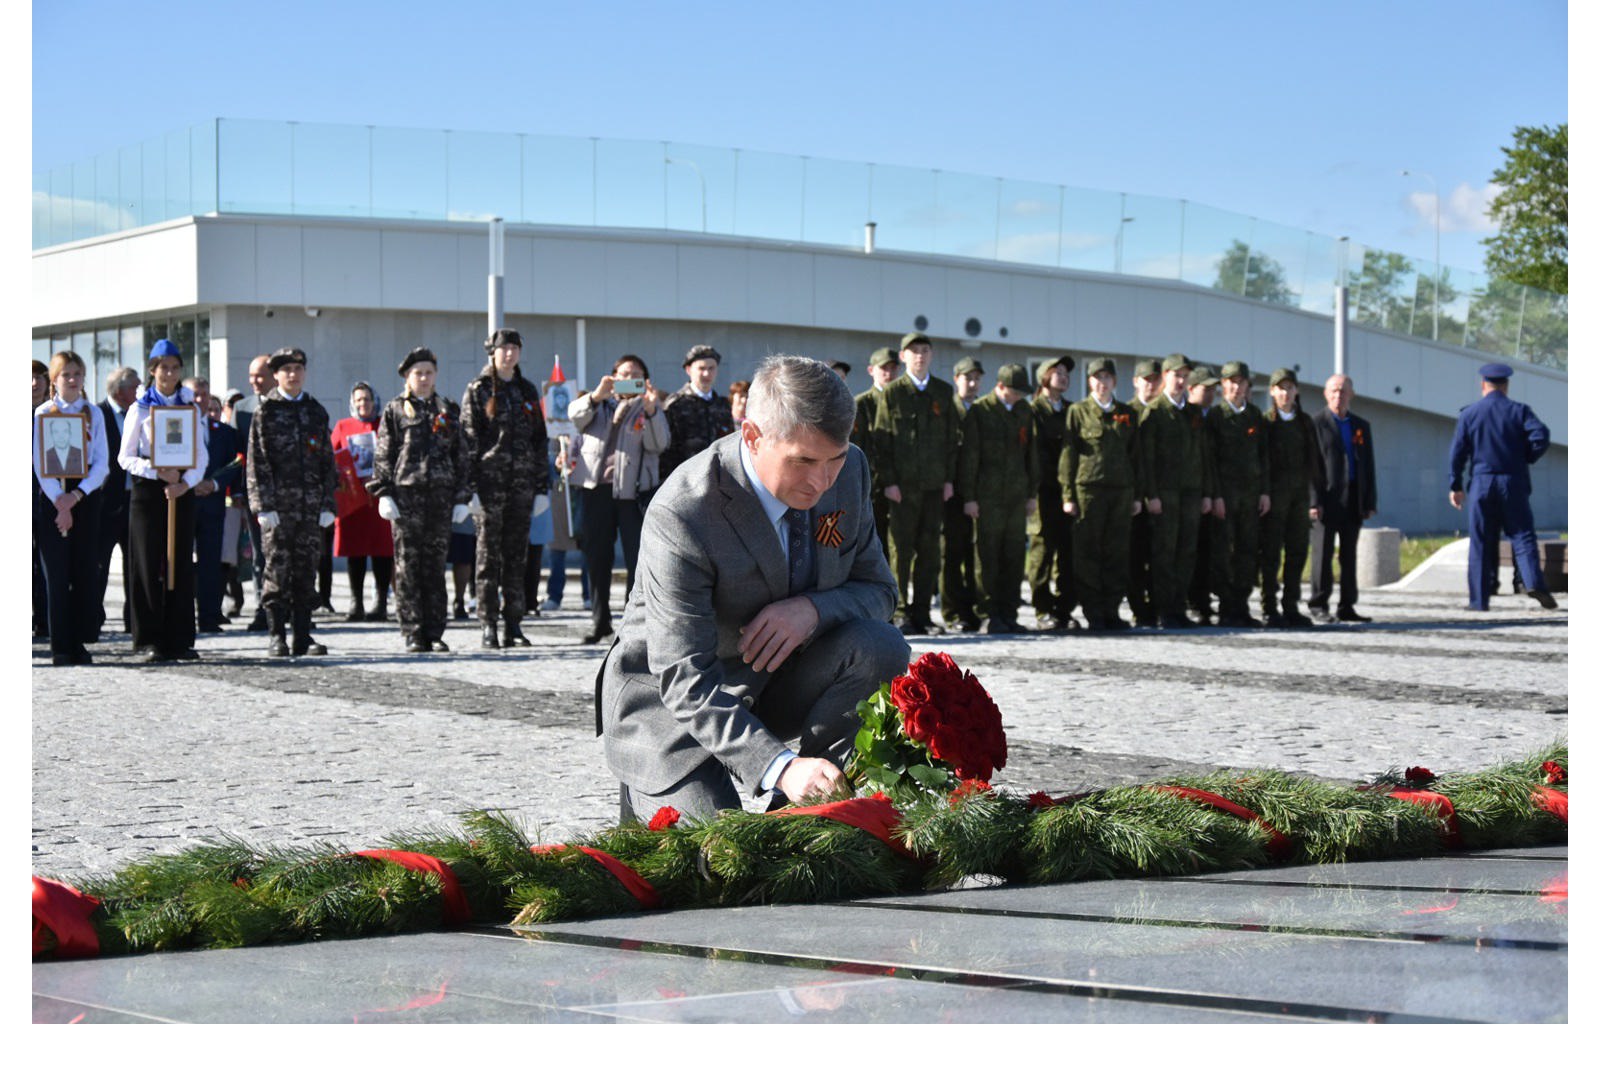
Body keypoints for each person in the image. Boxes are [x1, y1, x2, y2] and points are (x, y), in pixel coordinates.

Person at [596, 354, 908, 820]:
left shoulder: (851, 471)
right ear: (752, 436)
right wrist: (780, 766)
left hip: (771, 682)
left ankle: (806, 813)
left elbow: (880, 591)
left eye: (834, 460)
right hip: (671, 707)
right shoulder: (686, 510)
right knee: (720, 860)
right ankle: (652, 791)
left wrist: (812, 611)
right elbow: (682, 675)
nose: (822, 482)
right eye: (803, 461)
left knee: (880, 645)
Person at [368, 348, 472, 652]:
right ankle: (413, 630)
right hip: (407, 499)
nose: (424, 378)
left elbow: (461, 456)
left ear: (435, 375)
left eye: (428, 372)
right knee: (407, 566)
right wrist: (384, 493)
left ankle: (435, 630)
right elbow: (384, 454)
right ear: (407, 377)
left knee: (435, 567)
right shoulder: (395, 410)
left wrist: (462, 497)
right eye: (418, 373)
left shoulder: (448, 410)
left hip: (440, 499)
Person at [568, 354, 670, 643]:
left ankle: (632, 624)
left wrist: (651, 411)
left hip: (633, 493)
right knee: (597, 556)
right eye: (624, 373)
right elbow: (573, 417)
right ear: (613, 376)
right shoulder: (597, 403)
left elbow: (659, 443)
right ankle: (600, 621)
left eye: (636, 374)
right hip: (596, 490)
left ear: (644, 380)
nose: (629, 378)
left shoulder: (650, 406)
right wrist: (596, 396)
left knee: (637, 560)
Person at [461, 328, 551, 649]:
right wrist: (468, 488)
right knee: (487, 558)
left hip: (523, 487)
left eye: (515, 348)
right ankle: (488, 623)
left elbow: (540, 441)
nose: (509, 354)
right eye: (504, 349)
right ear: (493, 352)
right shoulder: (479, 389)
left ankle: (514, 622)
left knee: (517, 557)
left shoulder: (527, 391)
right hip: (489, 487)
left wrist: (542, 485)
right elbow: (468, 441)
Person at [118, 339, 208, 662]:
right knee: (146, 563)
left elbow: (201, 454)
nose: (169, 373)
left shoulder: (190, 408)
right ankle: (148, 639)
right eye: (163, 367)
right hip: (148, 491)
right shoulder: (140, 408)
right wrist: (159, 474)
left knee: (180, 562)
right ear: (153, 371)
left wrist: (185, 484)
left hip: (180, 491)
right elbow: (125, 458)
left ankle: (180, 638)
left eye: (174, 367)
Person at [246, 347, 338, 657]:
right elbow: (256, 462)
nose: (293, 374)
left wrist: (328, 504)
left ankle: (302, 635)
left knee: (305, 571)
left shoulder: (315, 411)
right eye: (286, 370)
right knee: (276, 571)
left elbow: (327, 461)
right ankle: (276, 635)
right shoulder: (266, 412)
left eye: (298, 368)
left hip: (310, 508)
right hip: (278, 509)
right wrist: (262, 506)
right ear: (276, 375)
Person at [1448, 362, 1558, 611]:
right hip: (1513, 480)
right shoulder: (1519, 411)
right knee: (1522, 535)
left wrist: (1455, 484)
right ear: (1506, 386)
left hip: (1482, 482)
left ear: (1483, 384)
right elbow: (1541, 435)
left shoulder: (1470, 414)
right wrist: (1526, 456)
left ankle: (1479, 601)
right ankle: (1533, 583)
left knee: (1481, 541)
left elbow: (1457, 453)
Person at [872, 331, 959, 635]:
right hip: (902, 489)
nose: (920, 355)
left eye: (925, 350)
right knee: (900, 551)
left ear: (931, 355)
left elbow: (951, 440)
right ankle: (898, 612)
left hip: (935, 486)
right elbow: (882, 441)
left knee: (929, 551)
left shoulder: (943, 392)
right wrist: (889, 482)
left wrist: (948, 479)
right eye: (914, 351)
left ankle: (922, 613)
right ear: (903, 356)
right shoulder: (893, 393)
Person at [33, 351, 110, 665]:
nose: (73, 380)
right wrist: (59, 502)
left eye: (78, 374)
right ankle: (60, 645)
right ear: (55, 379)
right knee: (56, 573)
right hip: (51, 496)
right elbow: (38, 462)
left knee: (83, 571)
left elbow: (103, 462)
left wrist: (76, 496)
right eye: (67, 375)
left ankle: (79, 641)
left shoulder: (93, 413)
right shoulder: (43, 413)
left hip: (84, 495)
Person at [956, 363, 1039, 634]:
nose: (1019, 397)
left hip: (1016, 496)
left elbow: (1031, 455)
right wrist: (969, 497)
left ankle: (1009, 612)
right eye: (1015, 391)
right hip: (987, 497)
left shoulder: (1025, 412)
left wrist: (1031, 494)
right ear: (1001, 387)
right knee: (987, 557)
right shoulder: (981, 411)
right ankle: (989, 613)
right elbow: (970, 457)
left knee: (1014, 556)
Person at [1063, 357, 1141, 631]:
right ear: (1089, 381)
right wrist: (1068, 495)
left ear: (1115, 382)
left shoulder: (1127, 413)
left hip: (1121, 492)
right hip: (1089, 492)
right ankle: (1094, 612)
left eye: (1107, 377)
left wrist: (1137, 495)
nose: (1102, 382)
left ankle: (1111, 610)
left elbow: (1136, 456)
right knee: (1088, 553)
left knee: (1117, 553)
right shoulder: (1078, 411)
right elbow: (1068, 454)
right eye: (1097, 377)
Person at [1138, 354, 1213, 629]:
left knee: (1186, 553)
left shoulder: (1193, 413)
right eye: (1176, 375)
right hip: (1165, 495)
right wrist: (1152, 495)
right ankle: (1164, 609)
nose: (1181, 381)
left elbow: (1204, 456)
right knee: (1164, 554)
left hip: (1191, 494)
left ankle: (1179, 607)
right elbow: (1146, 459)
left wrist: (1207, 493)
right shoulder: (1155, 412)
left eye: (1185, 376)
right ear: (1165, 376)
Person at [1202, 362, 1271, 627]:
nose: (1235, 387)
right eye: (1230, 382)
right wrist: (1215, 495)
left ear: (1247, 386)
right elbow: (1210, 460)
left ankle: (1241, 605)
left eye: (1240, 382)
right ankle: (1226, 606)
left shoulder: (1255, 416)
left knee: (1247, 551)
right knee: (1223, 552)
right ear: (1222, 385)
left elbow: (1263, 457)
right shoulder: (1216, 417)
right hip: (1226, 496)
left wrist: (1265, 491)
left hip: (1251, 495)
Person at [1307, 374, 1376, 623]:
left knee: (1349, 556)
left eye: (1343, 391)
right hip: (1327, 500)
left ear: (1352, 395)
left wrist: (1369, 501)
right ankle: (1318, 604)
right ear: (1326, 394)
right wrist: (1314, 501)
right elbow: (1311, 466)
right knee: (1322, 555)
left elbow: (1368, 465)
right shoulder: (1315, 423)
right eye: (1334, 391)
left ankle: (1347, 605)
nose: (1339, 396)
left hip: (1353, 500)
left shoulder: (1361, 425)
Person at [183, 376, 244, 634]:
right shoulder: (174, 427)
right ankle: (182, 616)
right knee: (182, 562)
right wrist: (190, 482)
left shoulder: (225, 432)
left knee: (211, 563)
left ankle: (209, 615)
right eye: (195, 394)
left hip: (213, 504)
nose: (200, 399)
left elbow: (237, 462)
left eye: (204, 394)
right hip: (184, 502)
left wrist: (214, 484)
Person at [331, 381, 395, 622]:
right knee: (354, 551)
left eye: (366, 399)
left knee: (382, 551)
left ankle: (380, 602)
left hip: (379, 500)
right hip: (353, 500)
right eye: (358, 400)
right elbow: (332, 456)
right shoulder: (343, 426)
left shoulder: (385, 424)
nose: (363, 404)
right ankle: (355, 602)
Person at [1259, 368, 1316, 627]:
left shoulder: (1305, 423)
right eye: (1280, 388)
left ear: (1297, 391)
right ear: (1272, 391)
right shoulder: (1266, 422)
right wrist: (1264, 493)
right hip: (1274, 498)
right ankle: (1269, 606)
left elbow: (1314, 463)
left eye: (1289, 388)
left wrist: (1315, 499)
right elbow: (1261, 461)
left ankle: (1290, 605)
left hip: (1299, 498)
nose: (1285, 393)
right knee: (1271, 554)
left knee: (1297, 552)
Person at [1026, 355, 1076, 630]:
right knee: (1042, 551)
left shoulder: (1072, 410)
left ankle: (1064, 609)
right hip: (1043, 490)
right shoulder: (1034, 410)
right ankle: (1042, 609)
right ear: (1044, 376)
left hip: (1067, 492)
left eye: (1066, 372)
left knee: (1068, 551)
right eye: (1057, 371)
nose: (1063, 376)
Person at [92, 367, 139, 640]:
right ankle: (92, 621)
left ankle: (134, 622)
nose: (139, 392)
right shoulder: (97, 413)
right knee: (98, 565)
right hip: (104, 504)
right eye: (135, 387)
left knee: (135, 566)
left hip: (136, 502)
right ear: (120, 391)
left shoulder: (140, 413)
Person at [230, 353, 275, 632]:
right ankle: (263, 607)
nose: (253, 381)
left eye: (259, 375)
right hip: (254, 493)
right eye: (250, 376)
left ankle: (294, 606)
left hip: (288, 494)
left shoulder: (288, 405)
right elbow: (237, 455)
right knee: (259, 554)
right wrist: (236, 491)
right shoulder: (243, 408)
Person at [939, 355, 984, 633]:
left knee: (972, 554)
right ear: (957, 379)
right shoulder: (948, 409)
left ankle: (971, 609)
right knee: (952, 554)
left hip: (976, 493)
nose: (972, 382)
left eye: (977, 378)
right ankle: (953, 611)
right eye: (968, 377)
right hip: (952, 493)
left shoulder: (981, 411)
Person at [659, 344, 735, 484]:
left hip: (717, 481)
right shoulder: (675, 404)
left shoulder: (722, 405)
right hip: (684, 481)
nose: (707, 374)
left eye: (711, 368)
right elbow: (666, 449)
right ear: (688, 370)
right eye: (701, 368)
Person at [1125, 359, 1164, 627]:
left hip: (1162, 495)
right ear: (1136, 381)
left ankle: (1159, 606)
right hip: (1135, 498)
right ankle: (1139, 608)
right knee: (1135, 557)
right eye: (1146, 379)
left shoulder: (1164, 411)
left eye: (1155, 379)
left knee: (1160, 555)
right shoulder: (1126, 412)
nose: (1151, 384)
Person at [851, 346, 900, 551]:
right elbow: (856, 447)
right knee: (876, 540)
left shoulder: (903, 400)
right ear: (872, 371)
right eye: (884, 369)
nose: (889, 374)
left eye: (893, 368)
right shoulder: (861, 404)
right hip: (873, 485)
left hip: (901, 482)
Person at [1185, 365, 1222, 624]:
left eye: (1213, 389)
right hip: (1188, 493)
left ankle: (1204, 602)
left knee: (1210, 552)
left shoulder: (1215, 416)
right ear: (1191, 389)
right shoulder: (1188, 416)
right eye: (1205, 389)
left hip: (1210, 493)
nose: (1210, 394)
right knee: (1189, 553)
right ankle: (1191, 602)